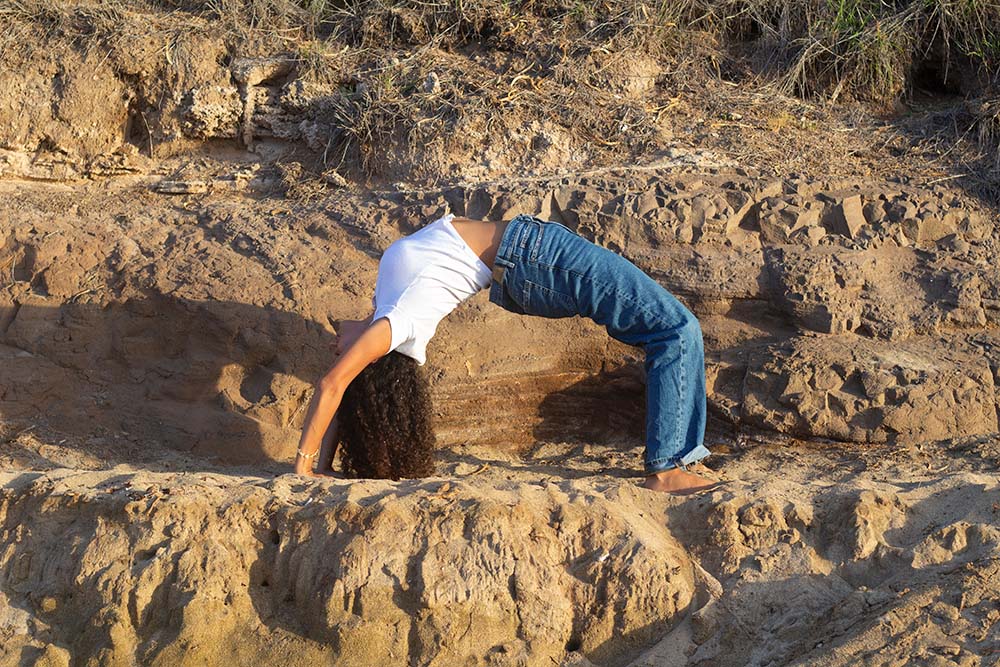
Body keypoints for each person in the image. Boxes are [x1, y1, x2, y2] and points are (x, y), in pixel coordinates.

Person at [293, 213, 718, 495]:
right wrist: (306, 466)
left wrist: (327, 463)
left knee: (672, 326)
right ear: (368, 359)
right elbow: (335, 384)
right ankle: (666, 470)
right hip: (535, 259)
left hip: (532, 250)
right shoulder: (397, 324)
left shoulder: (387, 303)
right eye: (342, 354)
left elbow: (345, 393)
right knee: (675, 328)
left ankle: (679, 459)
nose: (333, 345)